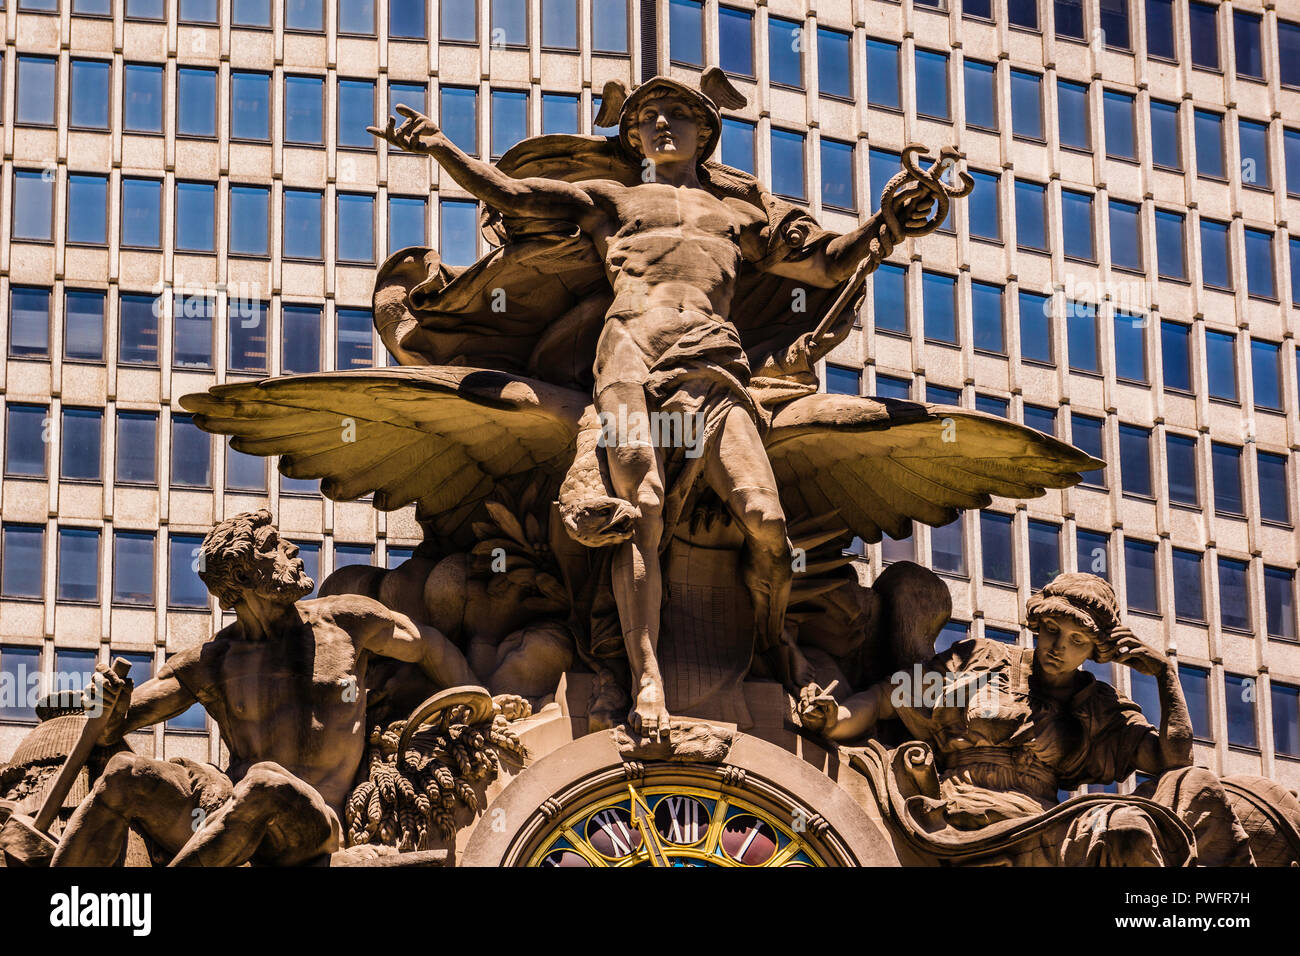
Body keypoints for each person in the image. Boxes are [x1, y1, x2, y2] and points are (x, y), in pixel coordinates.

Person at [370, 78, 939, 739]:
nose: (660, 124)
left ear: (705, 131)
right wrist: (443, 149)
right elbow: (515, 194)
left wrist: (888, 223)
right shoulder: (613, 200)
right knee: (642, 506)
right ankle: (645, 678)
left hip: (715, 366)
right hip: (630, 358)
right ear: (633, 137)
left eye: (676, 114)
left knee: (765, 518)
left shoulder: (743, 211)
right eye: (646, 118)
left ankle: (770, 642)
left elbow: (824, 265)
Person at [51, 509, 480, 867]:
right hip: (222, 819)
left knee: (265, 782)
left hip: (312, 827)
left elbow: (427, 646)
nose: (292, 550)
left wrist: (484, 702)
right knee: (125, 774)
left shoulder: (345, 621)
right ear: (242, 573)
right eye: (273, 545)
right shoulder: (209, 662)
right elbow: (110, 731)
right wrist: (108, 704)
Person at [799, 573, 1253, 866]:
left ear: (1095, 651)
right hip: (956, 809)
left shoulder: (1100, 706)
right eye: (1052, 630)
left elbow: (1174, 758)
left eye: (1077, 640)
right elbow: (884, 700)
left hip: (1042, 821)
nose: (1058, 646)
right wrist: (834, 718)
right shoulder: (980, 659)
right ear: (1037, 624)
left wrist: (1165, 676)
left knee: (1131, 830)